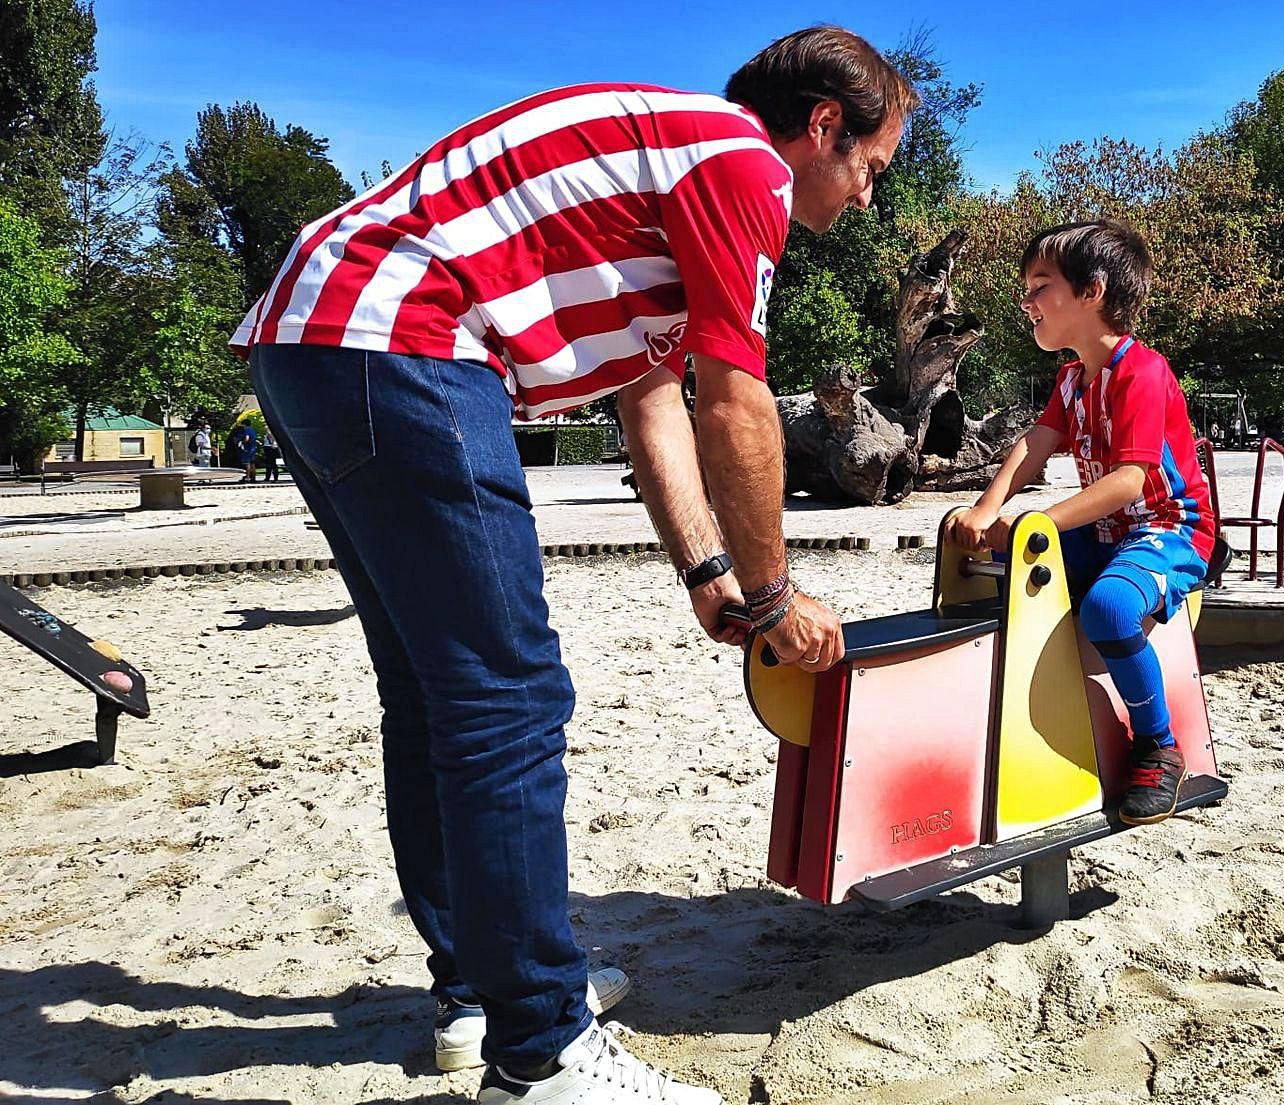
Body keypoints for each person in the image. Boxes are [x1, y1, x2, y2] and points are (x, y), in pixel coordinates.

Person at [232, 28, 906, 1105]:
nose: (868, 198)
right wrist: (777, 594)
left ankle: (479, 994)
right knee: (510, 698)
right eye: (872, 167)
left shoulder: (663, 177)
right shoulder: (744, 164)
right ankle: (541, 1045)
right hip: (402, 338)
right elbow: (736, 403)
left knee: (435, 694)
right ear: (823, 127)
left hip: (314, 342)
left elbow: (656, 405)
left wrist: (707, 573)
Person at [947, 220, 1217, 826]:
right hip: (1111, 530)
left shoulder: (1141, 372)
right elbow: (1033, 446)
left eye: (1040, 286)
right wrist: (987, 512)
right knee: (1012, 573)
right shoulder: (1071, 380)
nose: (1027, 300)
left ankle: (1157, 745)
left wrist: (1036, 520)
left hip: (1169, 528)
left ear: (1091, 292)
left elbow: (1130, 480)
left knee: (1109, 610)